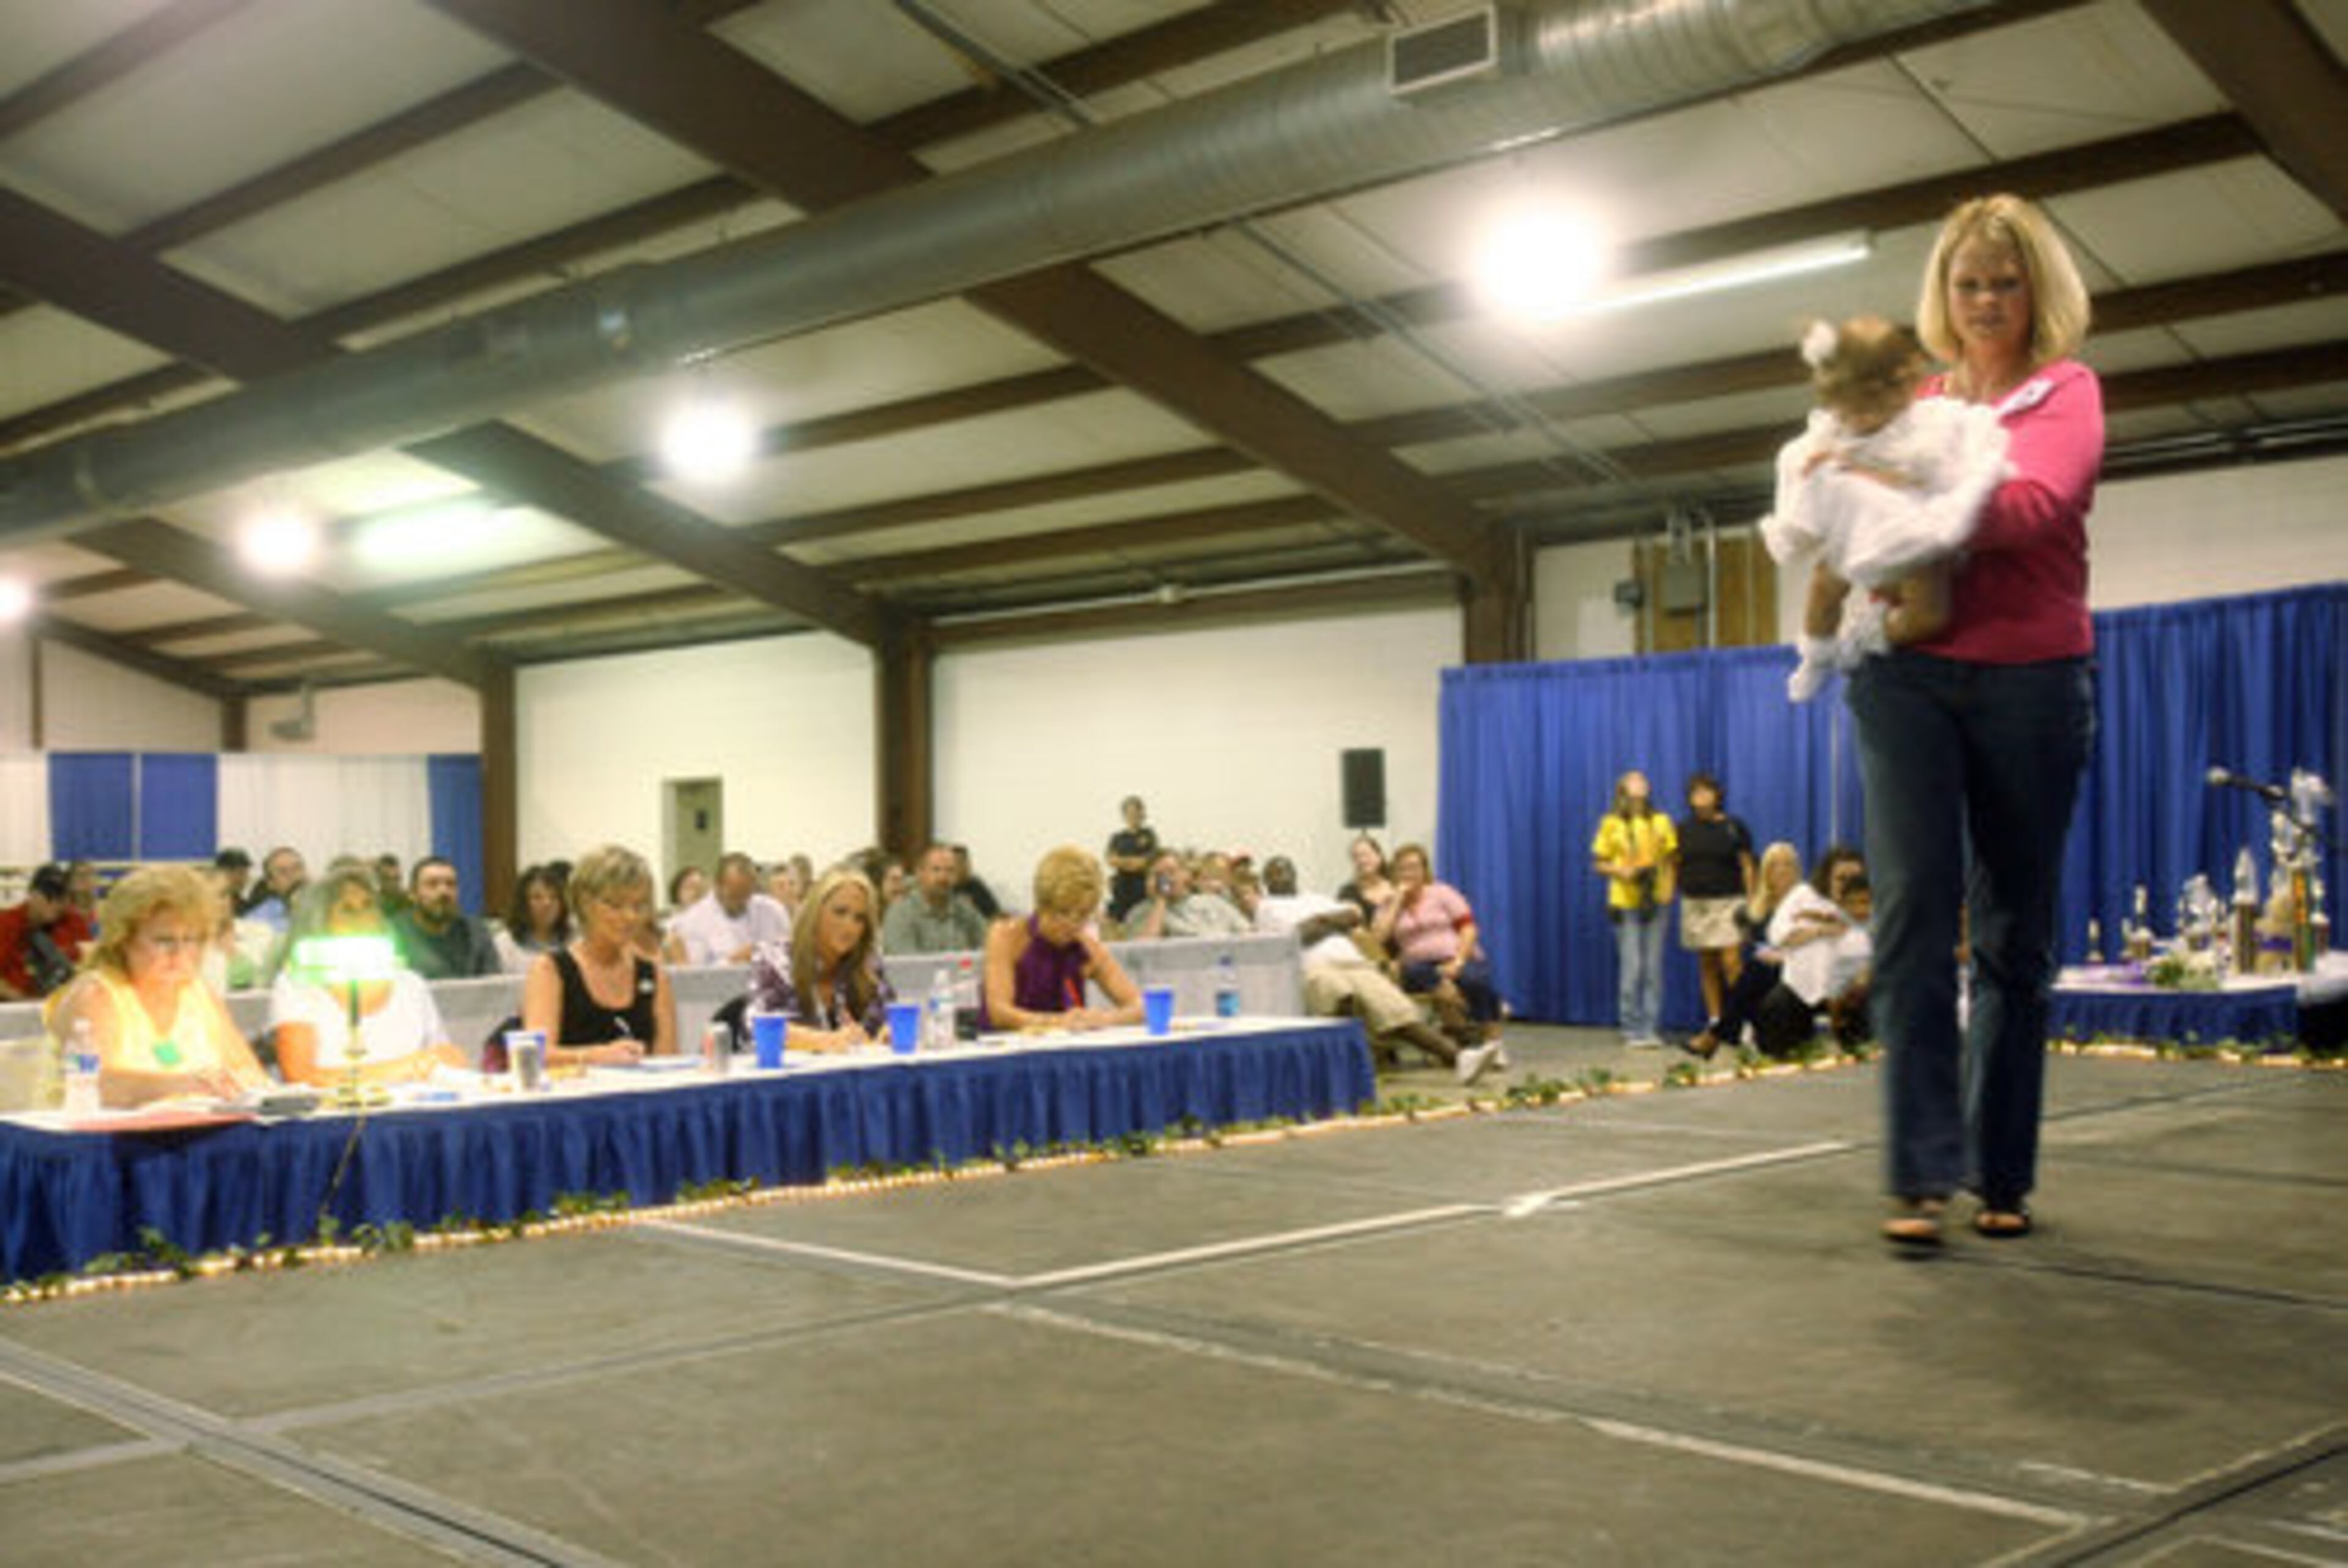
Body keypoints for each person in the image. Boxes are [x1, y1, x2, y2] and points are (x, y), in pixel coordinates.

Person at [1851, 194, 2102, 1248]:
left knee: (2013, 936)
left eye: (2005, 281)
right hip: (1905, 674)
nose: (1987, 299)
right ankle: (1920, 1176)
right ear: (1943, 298)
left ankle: (2003, 1172)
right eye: (1968, 283)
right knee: (1912, 917)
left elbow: (2043, 504)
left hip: (2033, 681)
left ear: (2036, 290)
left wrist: (1921, 491)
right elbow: (1846, 497)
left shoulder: (2067, 391)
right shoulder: (1913, 396)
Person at [1763, 315, 2012, 702]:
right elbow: (1807, 468)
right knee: (1823, 586)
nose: (1856, 422)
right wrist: (1816, 470)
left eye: (1866, 412)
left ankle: (1865, 637)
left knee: (1930, 614)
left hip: (1913, 537)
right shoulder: (1833, 432)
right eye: (1845, 413)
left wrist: (1862, 470)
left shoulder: (1925, 432)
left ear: (1906, 388)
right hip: (1855, 533)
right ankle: (1816, 655)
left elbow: (1935, 484)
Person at [1255, 855, 1501, 1085]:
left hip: (1355, 962)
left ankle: (1459, 1058)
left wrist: (1321, 923)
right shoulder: (1267, 907)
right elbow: (1295, 937)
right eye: (1275, 874)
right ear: (1266, 881)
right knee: (1340, 996)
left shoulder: (1316, 899)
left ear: (1295, 875)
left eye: (1286, 871)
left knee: (1395, 1008)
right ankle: (1352, 1069)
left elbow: (1353, 916)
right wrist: (1330, 922)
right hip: (1314, 967)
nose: (1282, 877)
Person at [46, 864, 271, 1107]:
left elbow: (248, 1071)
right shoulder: (96, 994)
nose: (179, 952)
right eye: (164, 940)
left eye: (191, 940)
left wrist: (236, 1084)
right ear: (123, 940)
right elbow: (95, 1084)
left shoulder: (199, 994)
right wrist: (183, 1085)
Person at [268, 866, 465, 1088]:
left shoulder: (410, 984)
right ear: (321, 923)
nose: (362, 918)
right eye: (348, 910)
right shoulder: (298, 983)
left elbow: (448, 1060)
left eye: (369, 906)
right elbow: (300, 1076)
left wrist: (436, 1065)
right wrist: (404, 1068)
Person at [521, 844, 677, 1067]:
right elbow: (537, 1055)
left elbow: (669, 1060)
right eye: (616, 905)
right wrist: (593, 1057)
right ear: (585, 904)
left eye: (639, 906)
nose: (630, 917)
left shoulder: (653, 975)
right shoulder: (550, 970)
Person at [980, 847, 1143, 1031]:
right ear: (1042, 905)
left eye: (1082, 915)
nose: (1072, 925)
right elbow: (999, 1013)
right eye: (1063, 913)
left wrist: (1104, 1019)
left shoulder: (1085, 947)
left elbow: (1141, 1007)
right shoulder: (1006, 935)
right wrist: (1058, 1022)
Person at [743, 866, 894, 1053]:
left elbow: (889, 1020)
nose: (849, 926)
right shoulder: (775, 961)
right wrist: (827, 1041)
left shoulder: (868, 965)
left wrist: (886, 1035)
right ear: (815, 912)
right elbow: (758, 1028)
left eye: (859, 918)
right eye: (840, 912)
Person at [1370, 844, 1504, 1046]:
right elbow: (1378, 939)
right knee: (1414, 971)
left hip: (1455, 956)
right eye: (1403, 868)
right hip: (1419, 966)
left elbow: (1468, 929)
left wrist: (1458, 961)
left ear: (1425, 871)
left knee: (1476, 981)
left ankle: (1493, 1042)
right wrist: (1397, 901)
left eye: (1414, 868)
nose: (1409, 873)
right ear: (1394, 873)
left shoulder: (1442, 893)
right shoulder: (1387, 904)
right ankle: (1461, 1018)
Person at [1684, 839, 1805, 1059]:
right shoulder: (1756, 909)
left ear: (1796, 870)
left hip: (1799, 970)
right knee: (1753, 970)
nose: (1782, 871)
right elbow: (1751, 946)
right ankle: (1731, 1032)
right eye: (1776, 865)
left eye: (1788, 865)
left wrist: (1784, 957)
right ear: (1766, 872)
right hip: (1767, 973)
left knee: (1756, 971)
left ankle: (1716, 1035)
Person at [1591, 770, 1677, 1049]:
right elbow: (1598, 862)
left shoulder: (1661, 821)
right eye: (1633, 780)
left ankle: (1651, 1028)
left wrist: (1668, 890)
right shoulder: (1611, 823)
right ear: (1622, 789)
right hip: (1625, 901)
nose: (1639, 783)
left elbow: (1672, 858)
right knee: (1632, 968)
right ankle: (1630, 1028)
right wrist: (1620, 870)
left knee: (1653, 968)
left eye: (1643, 780)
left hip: (1655, 900)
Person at [1675, 772, 1755, 1031]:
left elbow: (1747, 865)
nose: (1702, 797)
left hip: (1730, 902)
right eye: (1696, 793)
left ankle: (1743, 1021)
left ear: (1717, 796)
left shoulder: (1734, 826)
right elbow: (1674, 863)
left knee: (1732, 961)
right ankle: (1716, 1020)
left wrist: (1753, 900)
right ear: (1690, 798)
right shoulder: (1683, 829)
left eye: (1707, 792)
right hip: (1696, 903)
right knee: (1708, 963)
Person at [668, 851, 791, 966]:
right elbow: (695, 979)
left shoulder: (773, 911)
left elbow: (788, 958)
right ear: (717, 885)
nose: (741, 903)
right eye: (734, 897)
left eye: (746, 895)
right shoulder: (693, 921)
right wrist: (733, 961)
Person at [389, 856, 503, 979]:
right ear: (413, 894)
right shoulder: (393, 933)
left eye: (451, 884)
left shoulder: (476, 932)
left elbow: (494, 986)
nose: (444, 891)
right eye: (432, 884)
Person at [0, 863, 94, 1001]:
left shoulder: (74, 923)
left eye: (61, 897)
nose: (55, 903)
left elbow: (90, 963)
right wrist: (21, 1000)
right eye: (49, 896)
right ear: (33, 895)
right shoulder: (6, 924)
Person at [881, 842, 989, 954]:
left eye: (950, 870)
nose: (943, 877)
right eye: (936, 870)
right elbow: (905, 964)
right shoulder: (901, 913)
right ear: (920, 872)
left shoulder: (965, 910)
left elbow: (990, 945)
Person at [1128, 850, 1251, 941]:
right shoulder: (1142, 913)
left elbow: (1249, 936)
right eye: (1158, 875)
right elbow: (1144, 950)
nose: (1166, 880)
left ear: (1186, 874)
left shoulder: (1215, 903)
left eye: (1171, 872)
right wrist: (1161, 900)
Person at [497, 863, 575, 973]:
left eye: (554, 897)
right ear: (523, 903)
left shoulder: (574, 940)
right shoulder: (505, 944)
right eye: (537, 898)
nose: (547, 903)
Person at [1105, 795, 1159, 924]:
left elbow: (1147, 862)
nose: (1133, 816)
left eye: (1136, 812)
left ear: (1142, 813)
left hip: (1142, 890)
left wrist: (1123, 862)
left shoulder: (1149, 835)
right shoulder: (1117, 838)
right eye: (1129, 812)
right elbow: (1111, 860)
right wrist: (1132, 862)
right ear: (1124, 815)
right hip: (1122, 889)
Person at [241, 845, 307, 931]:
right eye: (283, 872)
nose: (293, 876)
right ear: (271, 883)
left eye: (297, 868)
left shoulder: (325, 905)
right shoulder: (257, 921)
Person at [1336, 835, 1394, 923]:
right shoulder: (1349, 893)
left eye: (1366, 855)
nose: (1362, 861)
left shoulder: (1396, 883)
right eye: (1356, 857)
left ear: (1379, 856)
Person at [951, 844, 1003, 921]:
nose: (959, 867)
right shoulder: (943, 889)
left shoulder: (976, 886)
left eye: (963, 862)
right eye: (956, 863)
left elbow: (995, 914)